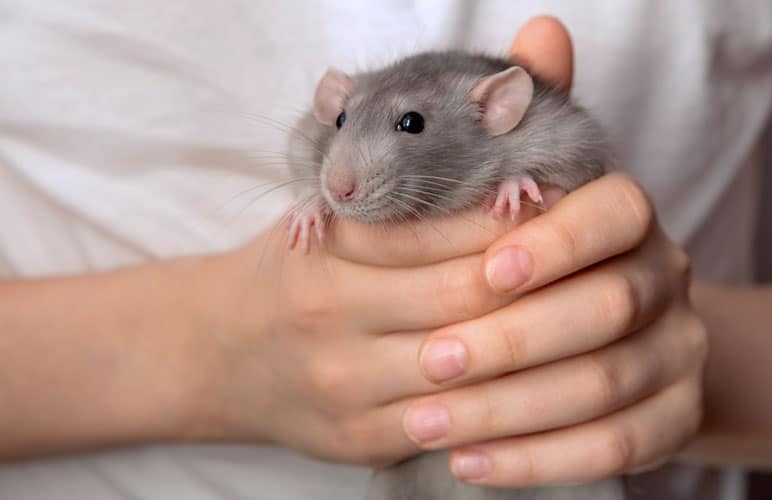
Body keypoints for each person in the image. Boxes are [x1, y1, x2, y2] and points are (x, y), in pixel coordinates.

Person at [0, 1, 770, 499]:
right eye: (344, 124)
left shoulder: (524, 123)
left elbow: (572, 146)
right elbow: (320, 158)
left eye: (405, 127)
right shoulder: (328, 144)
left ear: (498, 109)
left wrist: (669, 362)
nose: (343, 182)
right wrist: (211, 351)